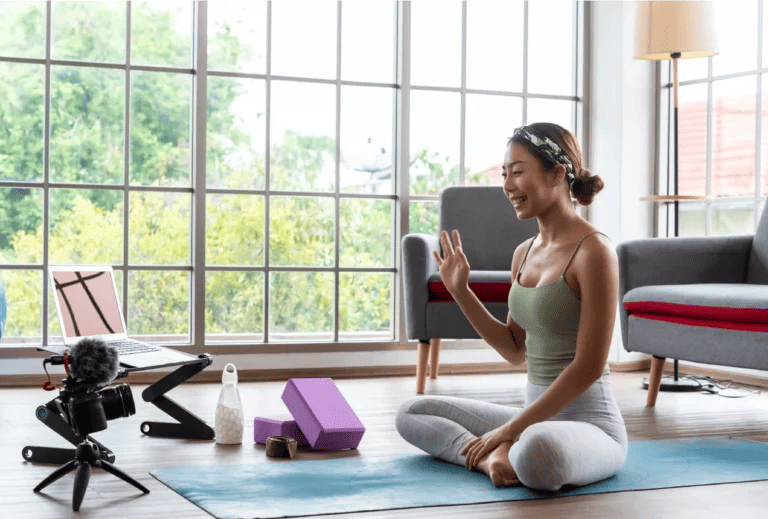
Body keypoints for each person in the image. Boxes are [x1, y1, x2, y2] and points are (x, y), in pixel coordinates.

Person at [395, 122, 627, 491]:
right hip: (530, 419)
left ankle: (507, 448)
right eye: (505, 174)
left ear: (557, 173)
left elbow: (588, 367)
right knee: (412, 411)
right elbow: (514, 349)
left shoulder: (594, 252)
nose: (507, 186)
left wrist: (509, 430)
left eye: (517, 172)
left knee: (539, 453)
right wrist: (461, 291)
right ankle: (490, 459)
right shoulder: (524, 253)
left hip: (590, 427)